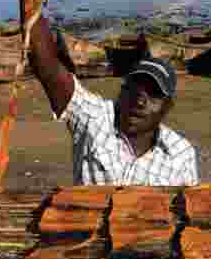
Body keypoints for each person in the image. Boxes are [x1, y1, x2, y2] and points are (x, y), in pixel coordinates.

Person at [27, 18, 199, 186]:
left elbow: (186, 209)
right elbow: (47, 67)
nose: (140, 101)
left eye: (153, 95)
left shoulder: (181, 154)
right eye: (134, 89)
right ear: (122, 92)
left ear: (167, 107)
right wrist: (32, 0)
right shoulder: (95, 118)